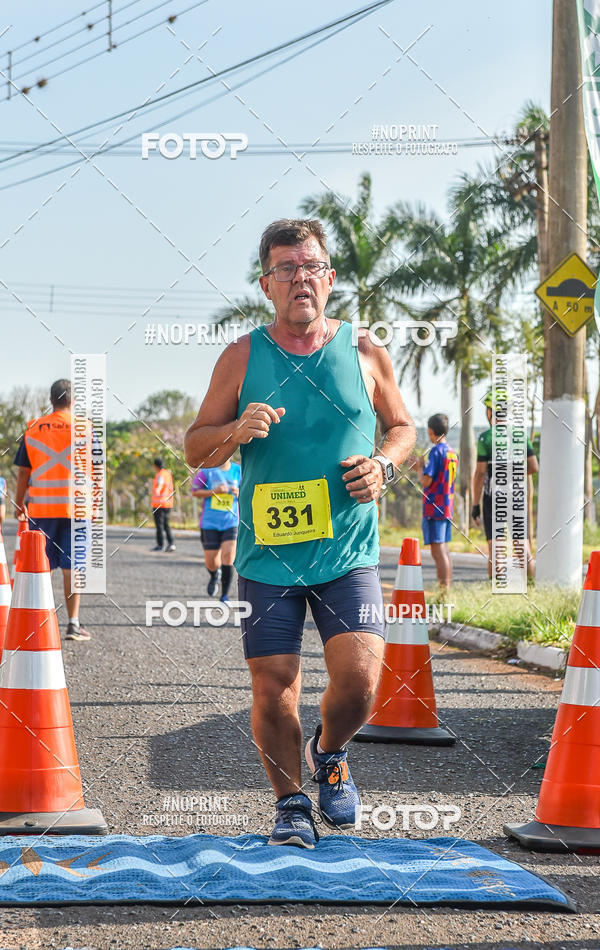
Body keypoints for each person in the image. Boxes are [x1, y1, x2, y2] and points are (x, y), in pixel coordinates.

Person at [184, 218, 416, 848]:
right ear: (267, 285)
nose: (300, 279)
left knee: (360, 681)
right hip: (268, 557)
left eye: (310, 266)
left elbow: (402, 427)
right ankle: (289, 803)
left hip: (347, 549)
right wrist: (234, 430)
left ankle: (330, 751)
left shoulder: (365, 351)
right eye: (285, 269)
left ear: (330, 279)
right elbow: (195, 448)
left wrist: (384, 465)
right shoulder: (242, 357)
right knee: (273, 683)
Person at [13, 379, 92, 641]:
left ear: (51, 400)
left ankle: (38, 625)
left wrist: (19, 503)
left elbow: (23, 472)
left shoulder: (34, 429)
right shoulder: (86, 428)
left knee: (42, 566)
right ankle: (73, 623)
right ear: (74, 400)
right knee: (73, 566)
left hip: (42, 509)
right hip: (76, 508)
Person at [472, 388, 538, 579]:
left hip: (494, 497)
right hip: (516, 495)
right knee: (522, 544)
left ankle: (494, 588)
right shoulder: (520, 434)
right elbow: (533, 466)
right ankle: (531, 587)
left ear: (490, 411)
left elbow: (480, 474)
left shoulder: (486, 437)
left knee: (496, 547)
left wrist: (475, 505)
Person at [415, 413, 458, 590]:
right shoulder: (452, 452)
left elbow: (426, 481)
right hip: (447, 506)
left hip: (435, 507)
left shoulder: (436, 451)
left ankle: (443, 591)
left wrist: (419, 468)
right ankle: (446, 590)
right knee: (444, 550)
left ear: (431, 431)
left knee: (438, 552)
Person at [191, 459, 241, 602]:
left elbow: (249, 492)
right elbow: (195, 491)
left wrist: (239, 492)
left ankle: (224, 596)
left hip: (231, 522)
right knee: (211, 563)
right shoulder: (206, 471)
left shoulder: (238, 471)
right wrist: (214, 491)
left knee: (228, 557)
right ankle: (214, 575)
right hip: (210, 523)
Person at [151, 457, 175, 552]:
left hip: (159, 504)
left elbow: (160, 483)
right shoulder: (167, 474)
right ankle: (171, 544)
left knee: (159, 526)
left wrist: (158, 489)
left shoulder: (160, 474)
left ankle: (160, 545)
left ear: (155, 466)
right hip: (168, 503)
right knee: (166, 525)